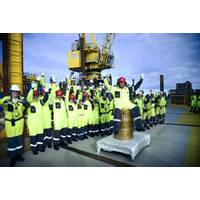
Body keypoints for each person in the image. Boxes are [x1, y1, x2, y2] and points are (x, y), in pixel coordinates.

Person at [0, 84, 27, 166]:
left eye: (16, 92)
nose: (15, 93)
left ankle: (19, 155)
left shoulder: (21, 99)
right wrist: (4, 102)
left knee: (19, 141)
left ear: (18, 92)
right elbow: (0, 101)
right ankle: (12, 158)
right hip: (10, 124)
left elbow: (26, 103)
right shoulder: (6, 98)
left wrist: (26, 103)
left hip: (19, 123)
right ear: (11, 92)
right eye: (13, 91)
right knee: (11, 142)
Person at [27, 85, 49, 155]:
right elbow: (28, 98)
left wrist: (47, 92)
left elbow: (45, 99)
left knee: (40, 136)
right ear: (32, 96)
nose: (35, 97)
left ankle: (40, 147)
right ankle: (34, 149)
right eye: (34, 95)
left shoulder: (40, 102)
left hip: (39, 123)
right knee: (33, 137)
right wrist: (32, 89)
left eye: (37, 95)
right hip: (32, 123)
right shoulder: (29, 103)